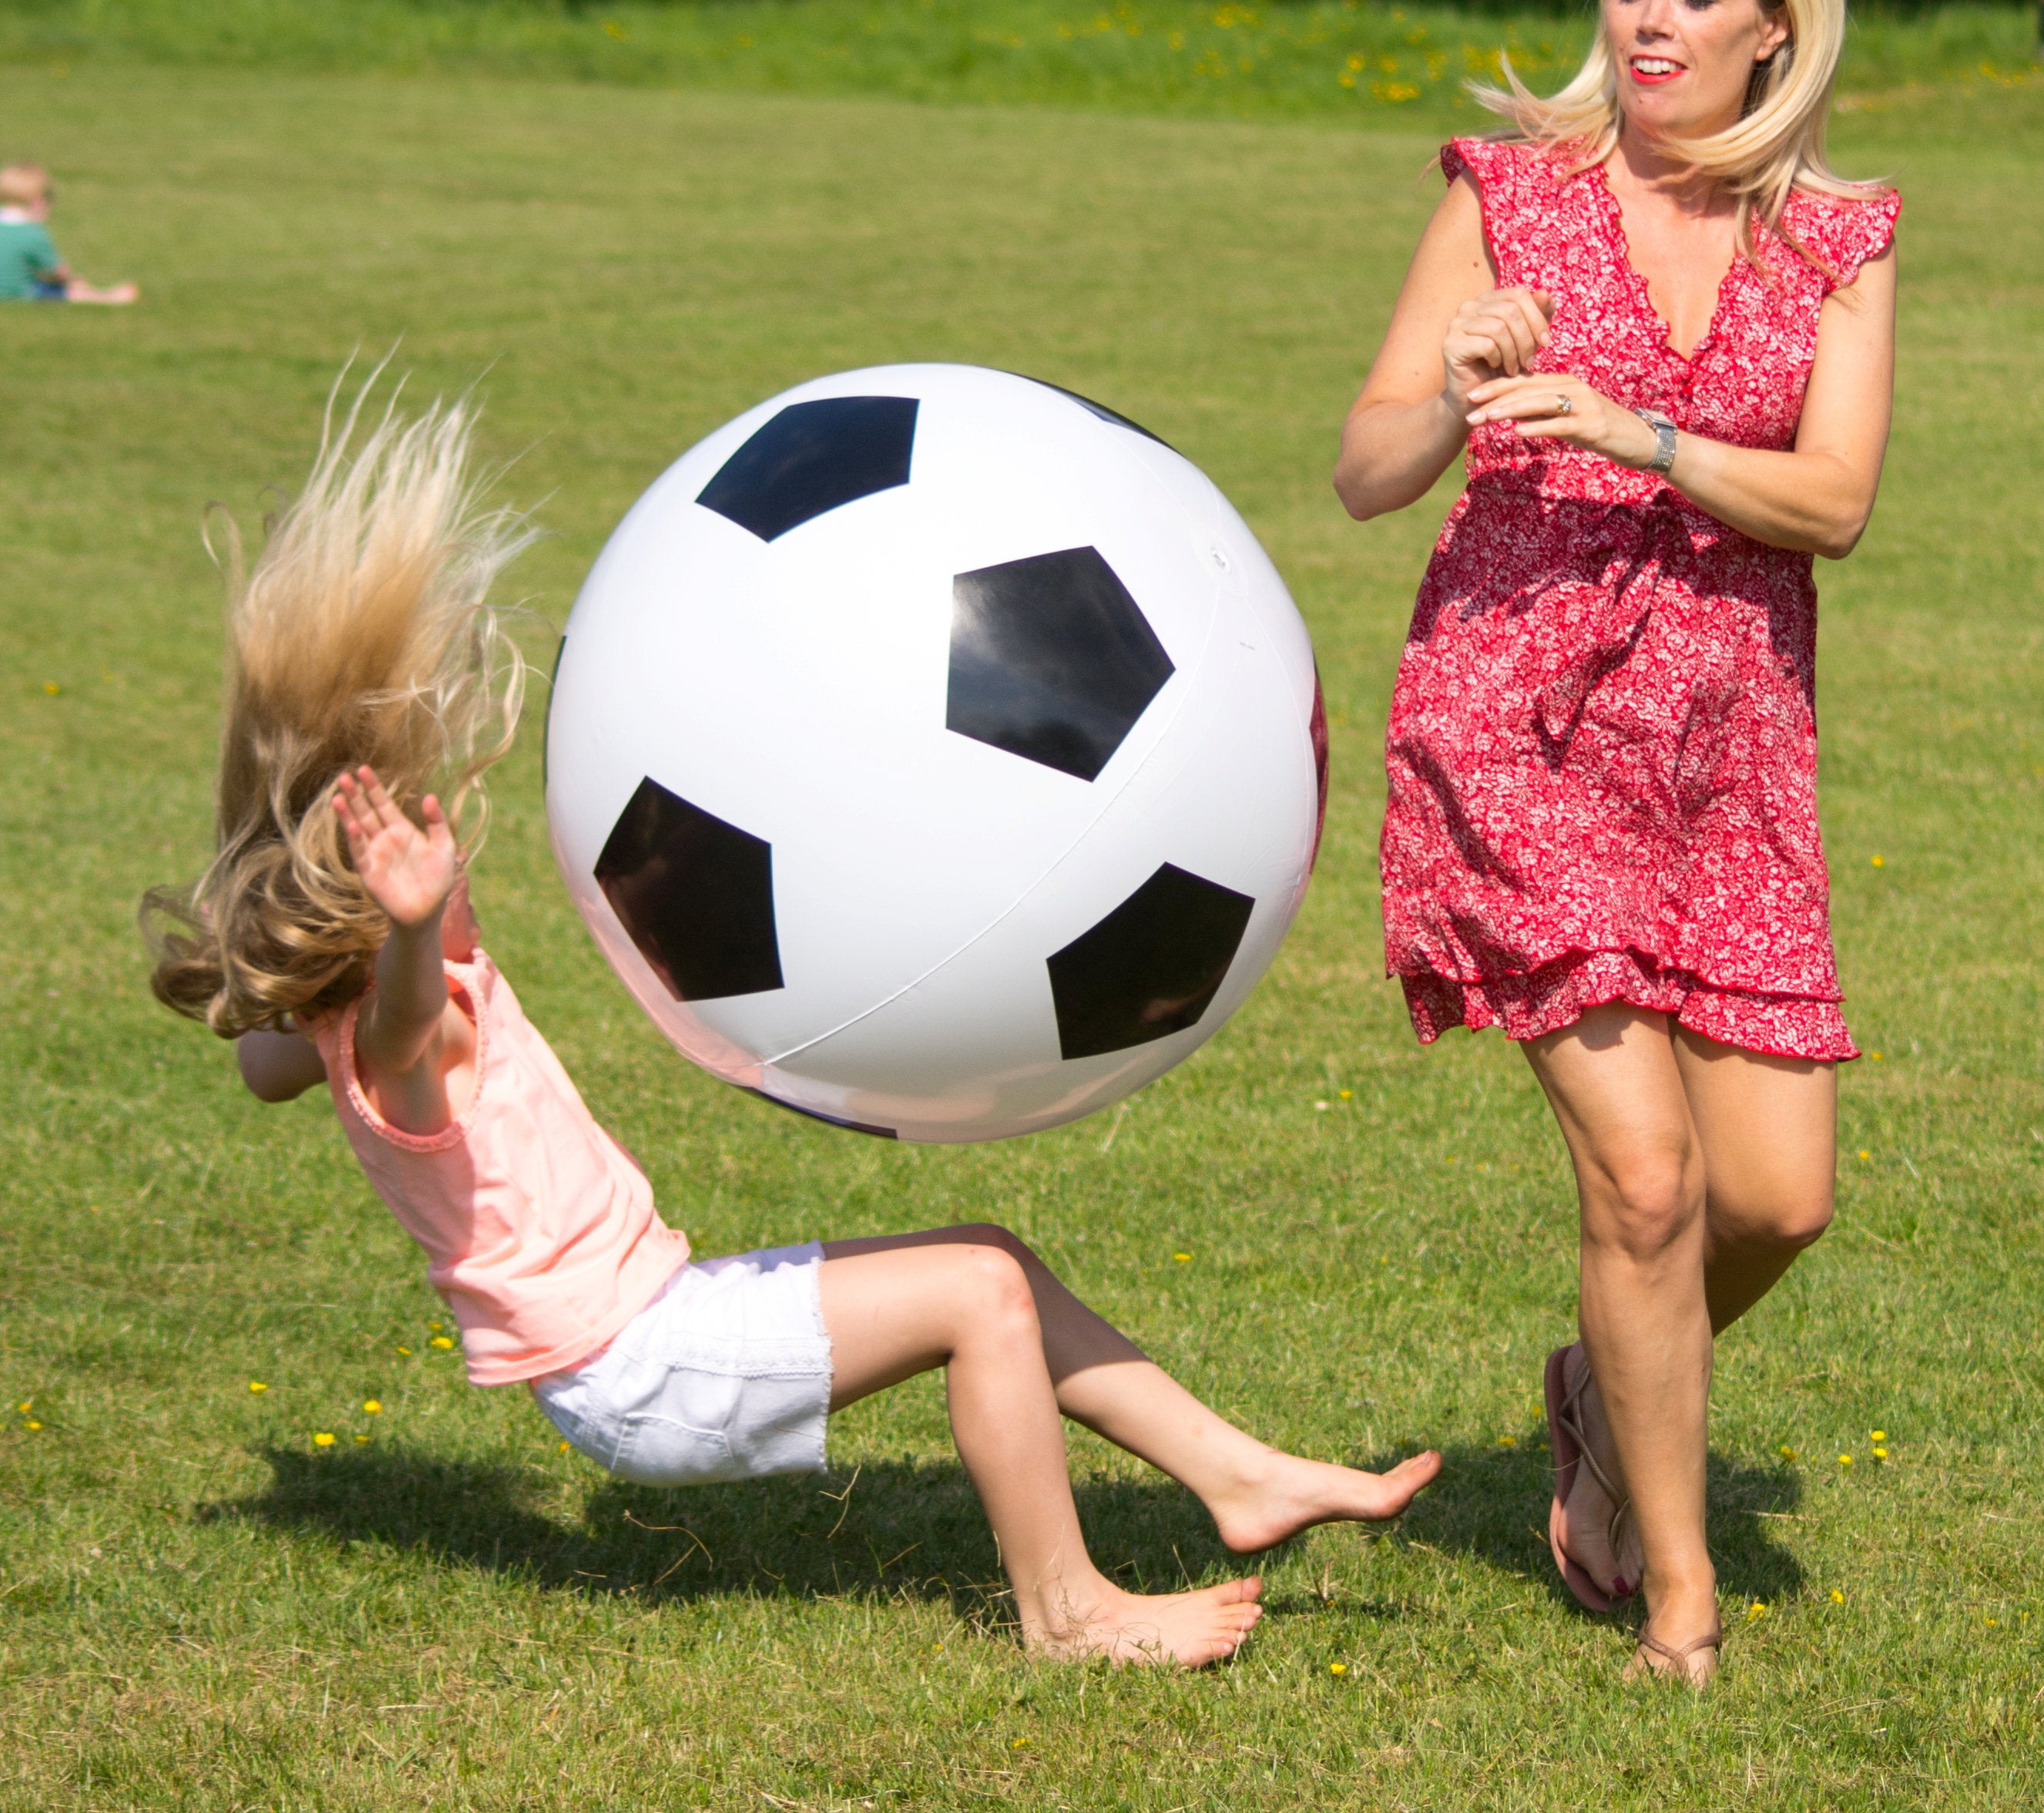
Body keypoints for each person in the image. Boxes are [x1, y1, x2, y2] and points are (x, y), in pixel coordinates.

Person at [143, 397, 1440, 1670]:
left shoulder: (323, 1024)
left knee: (995, 1257)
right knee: (977, 1297)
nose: (454, 842)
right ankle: (1070, 1611)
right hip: (632, 1365)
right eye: (428, 849)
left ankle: (1238, 1476)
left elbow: (265, 1060)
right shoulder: (409, 1028)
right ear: (382, 913)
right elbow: (405, 1034)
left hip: (644, 1327)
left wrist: (275, 910)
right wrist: (415, 929)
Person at [1335, 0, 1898, 1687]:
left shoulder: (1837, 237)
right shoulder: (1510, 193)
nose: (1646, 22)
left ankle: (1598, 1381)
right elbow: (1364, 466)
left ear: (1773, 28)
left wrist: (1639, 430)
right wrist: (1461, 384)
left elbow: (1832, 499)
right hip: (1516, 711)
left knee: (1775, 1197)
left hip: (1730, 743)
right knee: (1642, 1183)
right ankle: (1671, 1590)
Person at [0, 161, 137, 303]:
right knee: (69, 292)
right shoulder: (32, 233)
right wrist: (73, 281)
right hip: (18, 293)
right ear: (38, 201)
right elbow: (58, 272)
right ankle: (108, 297)